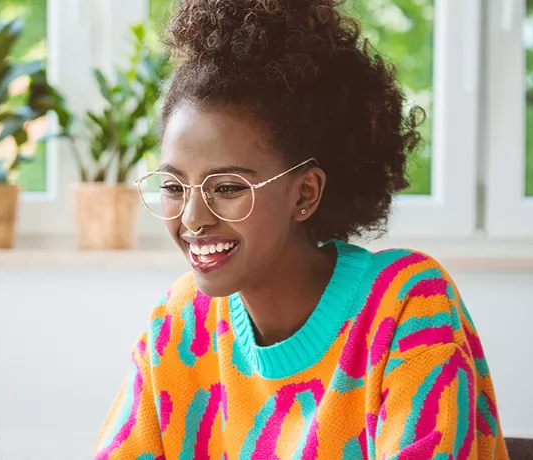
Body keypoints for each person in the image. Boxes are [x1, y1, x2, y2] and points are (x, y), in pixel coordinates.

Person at [93, 0, 508, 458]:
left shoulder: (405, 306)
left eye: (227, 187)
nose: (192, 218)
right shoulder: (178, 326)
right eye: (173, 185)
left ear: (305, 194)